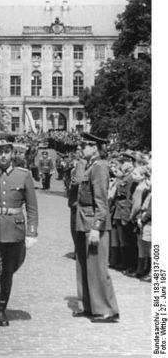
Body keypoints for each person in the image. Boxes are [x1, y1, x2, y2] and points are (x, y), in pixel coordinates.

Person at [0, 139, 38, 335]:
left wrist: (32, 231)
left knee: (8, 272)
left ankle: (3, 308)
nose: (3, 155)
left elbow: (31, 206)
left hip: (15, 230)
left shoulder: (24, 175)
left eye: (6, 151)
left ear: (12, 153)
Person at [73, 132, 119, 323]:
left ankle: (107, 309)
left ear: (94, 147)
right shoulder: (89, 166)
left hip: (93, 224)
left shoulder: (99, 167)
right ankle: (90, 305)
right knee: (84, 266)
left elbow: (101, 202)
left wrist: (96, 228)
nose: (80, 148)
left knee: (98, 268)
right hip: (83, 221)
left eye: (84, 145)